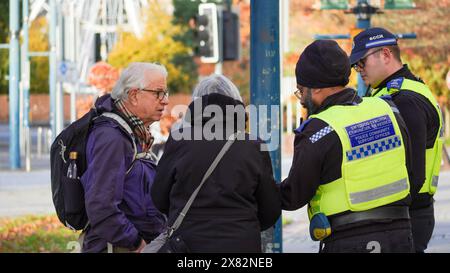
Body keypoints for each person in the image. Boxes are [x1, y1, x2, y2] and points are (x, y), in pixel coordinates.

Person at [279, 40, 414, 253]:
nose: (301, 99)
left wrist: (260, 189)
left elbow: (294, 195)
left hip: (349, 239)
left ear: (314, 89)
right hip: (400, 234)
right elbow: (409, 166)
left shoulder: (318, 129)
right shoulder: (387, 108)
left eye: (301, 91)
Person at [151, 74, 281, 253]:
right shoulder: (254, 146)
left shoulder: (179, 141)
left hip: (188, 246)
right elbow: (270, 209)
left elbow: (159, 197)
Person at [350, 28, 442, 252]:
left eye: (362, 62)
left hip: (405, 217)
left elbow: (413, 173)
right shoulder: (400, 90)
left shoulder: (404, 100)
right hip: (407, 215)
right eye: (356, 66)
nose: (358, 70)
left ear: (385, 54)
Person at [80, 62, 169, 253]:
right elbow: (101, 206)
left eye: (165, 93)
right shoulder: (112, 138)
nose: (165, 100)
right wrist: (136, 243)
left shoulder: (132, 134)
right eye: (158, 93)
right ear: (134, 95)